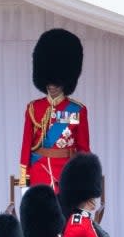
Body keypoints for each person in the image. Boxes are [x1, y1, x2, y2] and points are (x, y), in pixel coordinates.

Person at [19, 28, 89, 191]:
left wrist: (85, 182)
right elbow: (25, 147)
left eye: (56, 83)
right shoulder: (33, 108)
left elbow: (84, 150)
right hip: (39, 175)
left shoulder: (77, 110)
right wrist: (24, 181)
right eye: (49, 83)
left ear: (65, 81)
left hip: (67, 176)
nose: (52, 87)